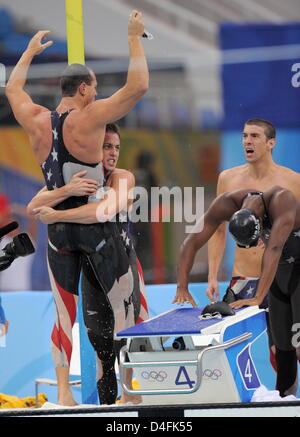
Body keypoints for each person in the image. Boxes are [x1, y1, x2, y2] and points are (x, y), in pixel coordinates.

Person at [6, 11, 148, 406]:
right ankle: (128, 395)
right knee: (124, 310)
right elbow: (138, 87)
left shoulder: (35, 119)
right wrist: (133, 37)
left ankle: (65, 394)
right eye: (96, 88)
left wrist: (29, 53)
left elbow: (13, 91)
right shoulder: (90, 118)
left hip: (57, 231)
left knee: (62, 315)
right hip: (93, 225)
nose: (98, 94)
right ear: (85, 88)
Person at [28, 124, 148, 405]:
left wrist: (58, 215)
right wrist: (67, 189)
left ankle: (133, 393)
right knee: (97, 339)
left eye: (117, 147)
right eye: (107, 146)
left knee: (129, 325)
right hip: (91, 267)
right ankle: (64, 393)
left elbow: (103, 212)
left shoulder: (122, 177)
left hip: (124, 266)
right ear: (93, 148)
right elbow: (34, 206)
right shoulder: (74, 178)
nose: (113, 153)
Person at [174, 185, 300, 397]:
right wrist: (181, 285)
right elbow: (192, 241)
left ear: (259, 223)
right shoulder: (227, 203)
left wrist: (258, 297)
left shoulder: (282, 199)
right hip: (281, 274)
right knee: (283, 351)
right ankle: (287, 405)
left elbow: (275, 249)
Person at [206, 118, 300, 369]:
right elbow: (218, 229)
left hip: (283, 278)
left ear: (271, 143)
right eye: (245, 135)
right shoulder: (228, 179)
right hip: (244, 279)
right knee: (235, 349)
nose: (247, 140)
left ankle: (289, 403)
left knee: (289, 350)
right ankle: (276, 403)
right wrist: (213, 274)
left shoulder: (293, 181)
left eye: (255, 136)